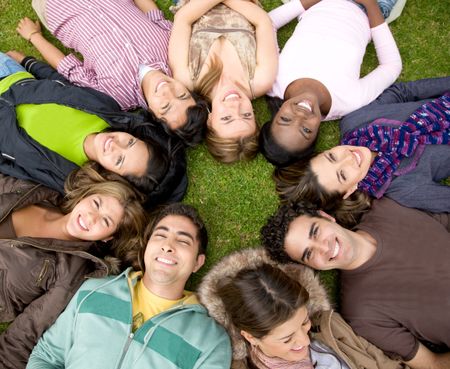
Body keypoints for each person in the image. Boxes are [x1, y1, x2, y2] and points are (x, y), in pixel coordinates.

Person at [26, 203, 232, 368]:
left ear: (198, 262)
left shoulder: (209, 341)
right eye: (160, 235)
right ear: (145, 249)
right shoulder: (93, 291)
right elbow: (46, 356)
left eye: (183, 241)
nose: (168, 246)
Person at [261, 198, 450, 369]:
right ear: (307, 266)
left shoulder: (387, 208)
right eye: (309, 254)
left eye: (315, 232)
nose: (324, 247)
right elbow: (434, 364)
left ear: (325, 216)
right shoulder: (361, 312)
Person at [0, 164, 147, 369]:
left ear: (107, 238)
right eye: (96, 203)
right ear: (85, 196)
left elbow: (27, 332)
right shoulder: (38, 193)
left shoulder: (71, 274)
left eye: (105, 221)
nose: (91, 217)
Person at [1, 51, 188, 206]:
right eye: (130, 142)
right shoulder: (106, 110)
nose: (115, 144)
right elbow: (64, 85)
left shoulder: (66, 176)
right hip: (10, 73)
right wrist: (28, 62)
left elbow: (16, 169)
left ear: (112, 176)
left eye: (120, 160)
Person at [17, 0, 208, 146]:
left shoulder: (115, 97)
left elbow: (69, 68)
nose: (168, 91)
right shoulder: (171, 51)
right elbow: (154, 15)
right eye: (182, 95)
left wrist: (34, 36)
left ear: (153, 115)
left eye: (165, 106)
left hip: (59, 8)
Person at [198, 247, 406, 369]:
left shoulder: (329, 325)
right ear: (251, 337)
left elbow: (384, 363)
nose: (305, 340)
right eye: (287, 338)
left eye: (304, 321)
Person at [274, 77, 450, 217]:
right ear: (349, 191)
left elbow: (400, 92)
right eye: (342, 175)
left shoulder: (354, 122)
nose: (348, 158)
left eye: (332, 157)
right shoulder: (404, 189)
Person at [260, 0, 402, 166]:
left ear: (276, 113)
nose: (300, 115)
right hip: (366, 9)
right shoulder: (348, 101)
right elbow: (391, 66)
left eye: (285, 119)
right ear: (316, 134)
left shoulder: (271, 79)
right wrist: (370, 6)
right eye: (306, 130)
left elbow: (266, 24)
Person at [169, 0, 278, 162]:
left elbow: (183, 20)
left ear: (210, 120)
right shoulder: (261, 79)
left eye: (227, 118)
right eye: (246, 115)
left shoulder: (188, 80)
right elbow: (263, 22)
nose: (236, 105)